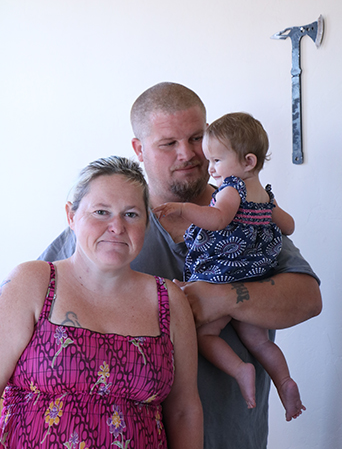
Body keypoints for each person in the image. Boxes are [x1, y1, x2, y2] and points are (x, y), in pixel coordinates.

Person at [38, 82, 322, 449]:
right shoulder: (108, 229)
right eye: (168, 144)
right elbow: (33, 311)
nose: (187, 154)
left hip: (233, 438)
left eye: (196, 137)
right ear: (139, 149)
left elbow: (308, 298)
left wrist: (223, 299)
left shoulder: (250, 215)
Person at [0, 156, 203, 449]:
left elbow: (184, 412)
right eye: (101, 212)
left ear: (146, 223)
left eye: (131, 214)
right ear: (71, 216)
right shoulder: (33, 282)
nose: (117, 227)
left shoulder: (169, 301)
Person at [153, 112, 305, 420]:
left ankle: (239, 369)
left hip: (222, 272)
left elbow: (218, 218)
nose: (210, 169)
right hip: (257, 273)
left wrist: (185, 210)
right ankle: (285, 381)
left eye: (216, 161)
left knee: (206, 334)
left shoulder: (231, 188)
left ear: (248, 161)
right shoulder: (266, 196)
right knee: (259, 341)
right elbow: (288, 225)